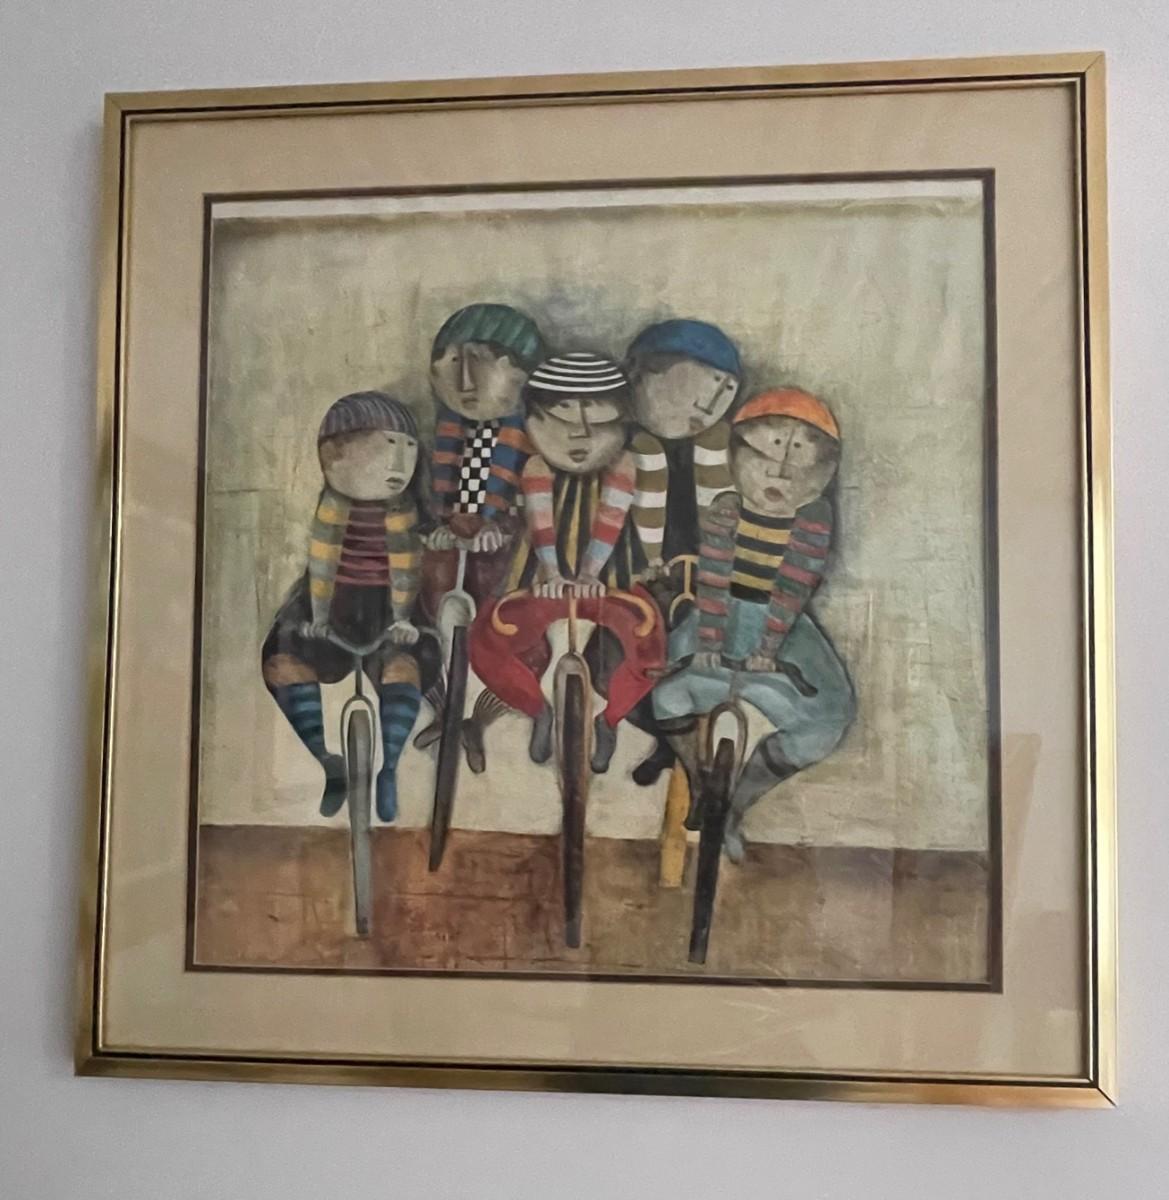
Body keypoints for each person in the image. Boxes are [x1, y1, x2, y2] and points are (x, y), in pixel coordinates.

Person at [652, 388, 855, 861]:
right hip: (720, 613)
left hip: (782, 625)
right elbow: (713, 578)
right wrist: (708, 641)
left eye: (798, 464)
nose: (779, 474)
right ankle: (701, 780)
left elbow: (794, 586)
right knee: (660, 689)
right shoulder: (725, 508)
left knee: (829, 715)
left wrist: (767, 650)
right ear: (738, 457)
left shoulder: (814, 517)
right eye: (764, 458)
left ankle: (735, 805)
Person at [466, 352, 664, 770]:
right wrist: (553, 573)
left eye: (600, 423)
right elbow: (540, 525)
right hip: (540, 579)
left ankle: (610, 720)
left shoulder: (623, 464)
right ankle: (538, 710)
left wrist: (591, 574)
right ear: (534, 422)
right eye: (562, 422)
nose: (581, 436)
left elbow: (611, 522)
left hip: (610, 580)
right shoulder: (536, 466)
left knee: (648, 646)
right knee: (486, 641)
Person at [260, 391, 438, 822]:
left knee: (404, 668)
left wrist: (403, 620)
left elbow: (413, 566)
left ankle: (389, 768)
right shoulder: (329, 513)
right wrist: (317, 619)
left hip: (392, 610)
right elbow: (321, 567)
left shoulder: (410, 515)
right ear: (333, 456)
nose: (400, 464)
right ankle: (327, 760)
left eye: (408, 449)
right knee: (282, 662)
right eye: (386, 447)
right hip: (327, 606)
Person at [611, 318, 744, 783]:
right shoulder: (619, 448)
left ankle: (680, 751)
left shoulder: (724, 452)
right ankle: (669, 743)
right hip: (636, 578)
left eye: (725, 390)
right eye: (700, 383)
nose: (709, 403)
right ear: (640, 376)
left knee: (693, 667)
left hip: (706, 581)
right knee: (617, 667)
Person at [414, 302, 546, 749]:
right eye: (452, 364)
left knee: (502, 627)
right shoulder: (447, 434)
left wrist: (502, 528)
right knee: (432, 614)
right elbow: (442, 498)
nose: (466, 382)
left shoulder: (533, 440)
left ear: (524, 373)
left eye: (484, 363)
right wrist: (441, 528)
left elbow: (534, 505)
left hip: (506, 552)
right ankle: (445, 708)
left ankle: (481, 717)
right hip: (455, 543)